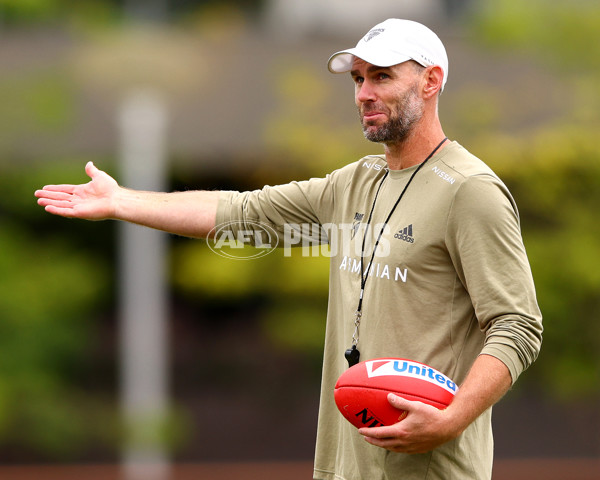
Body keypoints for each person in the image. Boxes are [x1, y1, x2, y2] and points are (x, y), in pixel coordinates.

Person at [35, 18, 542, 480]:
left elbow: (517, 326)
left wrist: (450, 420)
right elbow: (240, 213)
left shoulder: (470, 190)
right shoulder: (354, 182)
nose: (364, 92)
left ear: (430, 82)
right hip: (343, 468)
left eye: (382, 77)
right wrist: (122, 201)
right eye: (358, 79)